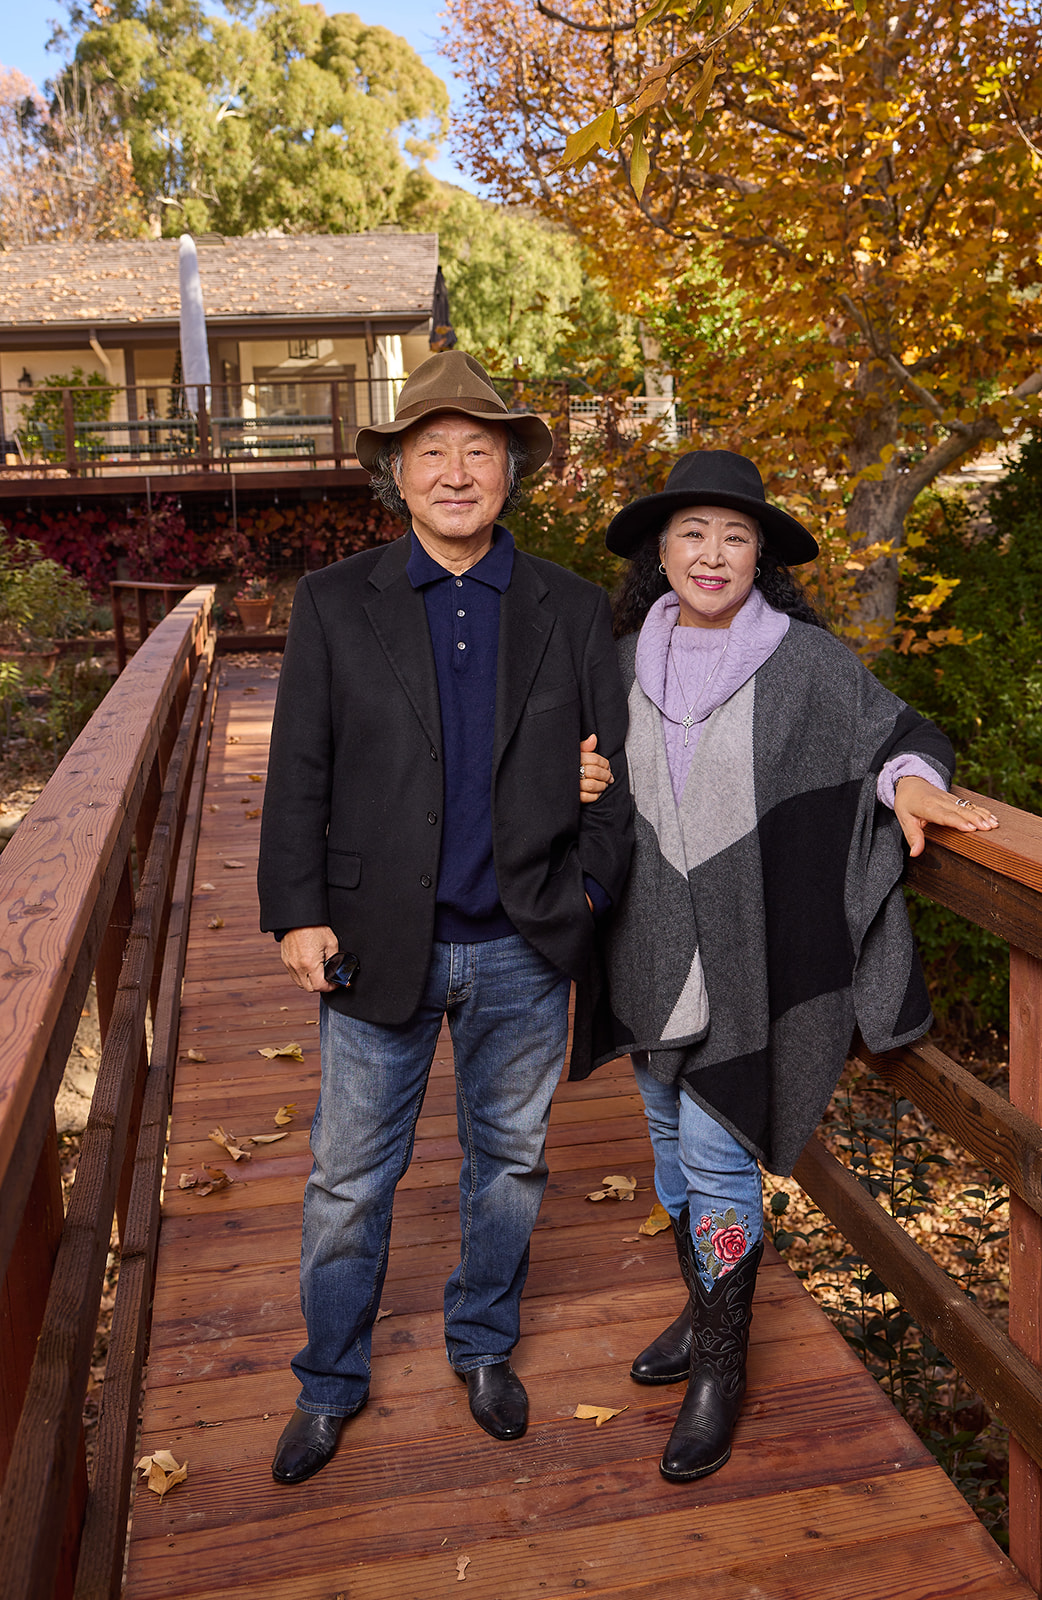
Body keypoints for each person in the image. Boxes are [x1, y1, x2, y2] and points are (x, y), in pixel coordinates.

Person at [573, 449, 998, 1485]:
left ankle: (720, 1366)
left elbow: (899, 732)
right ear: (659, 550)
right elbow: (568, 763)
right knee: (667, 1140)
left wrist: (909, 781)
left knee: (716, 1154)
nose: (712, 553)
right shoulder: (616, 660)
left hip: (748, 956)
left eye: (735, 536)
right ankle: (700, 1305)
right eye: (692, 533)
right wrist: (569, 773)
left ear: (760, 556)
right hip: (645, 946)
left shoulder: (804, 663)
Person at [258, 350, 633, 1484]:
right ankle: (328, 1380)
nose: (456, 472)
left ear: (510, 469)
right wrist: (296, 913)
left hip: (521, 939)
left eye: (479, 450)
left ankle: (482, 1345)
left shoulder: (572, 607)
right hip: (375, 937)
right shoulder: (334, 601)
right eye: (432, 451)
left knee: (508, 1165)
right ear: (399, 472)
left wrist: (585, 894)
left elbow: (615, 778)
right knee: (346, 1180)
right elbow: (298, 771)